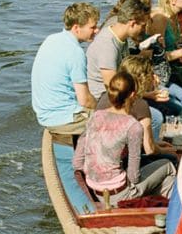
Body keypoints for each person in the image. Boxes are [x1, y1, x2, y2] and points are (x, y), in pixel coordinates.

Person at [71, 70, 175, 204]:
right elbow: (133, 177)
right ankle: (164, 210)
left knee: (163, 179)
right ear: (133, 94)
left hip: (95, 189)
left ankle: (153, 206)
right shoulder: (132, 126)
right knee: (168, 166)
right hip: (120, 193)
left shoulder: (95, 117)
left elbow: (77, 163)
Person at [31, 2, 100, 131]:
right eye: (93, 27)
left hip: (44, 115)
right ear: (76, 28)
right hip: (65, 117)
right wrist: (100, 109)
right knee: (116, 123)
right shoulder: (75, 52)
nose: (97, 30)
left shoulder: (51, 39)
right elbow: (84, 100)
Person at [83, 0, 152, 104]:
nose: (144, 29)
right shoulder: (107, 45)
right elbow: (111, 84)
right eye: (143, 26)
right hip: (103, 97)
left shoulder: (121, 38)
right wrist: (145, 95)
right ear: (132, 23)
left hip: (119, 91)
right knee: (157, 116)